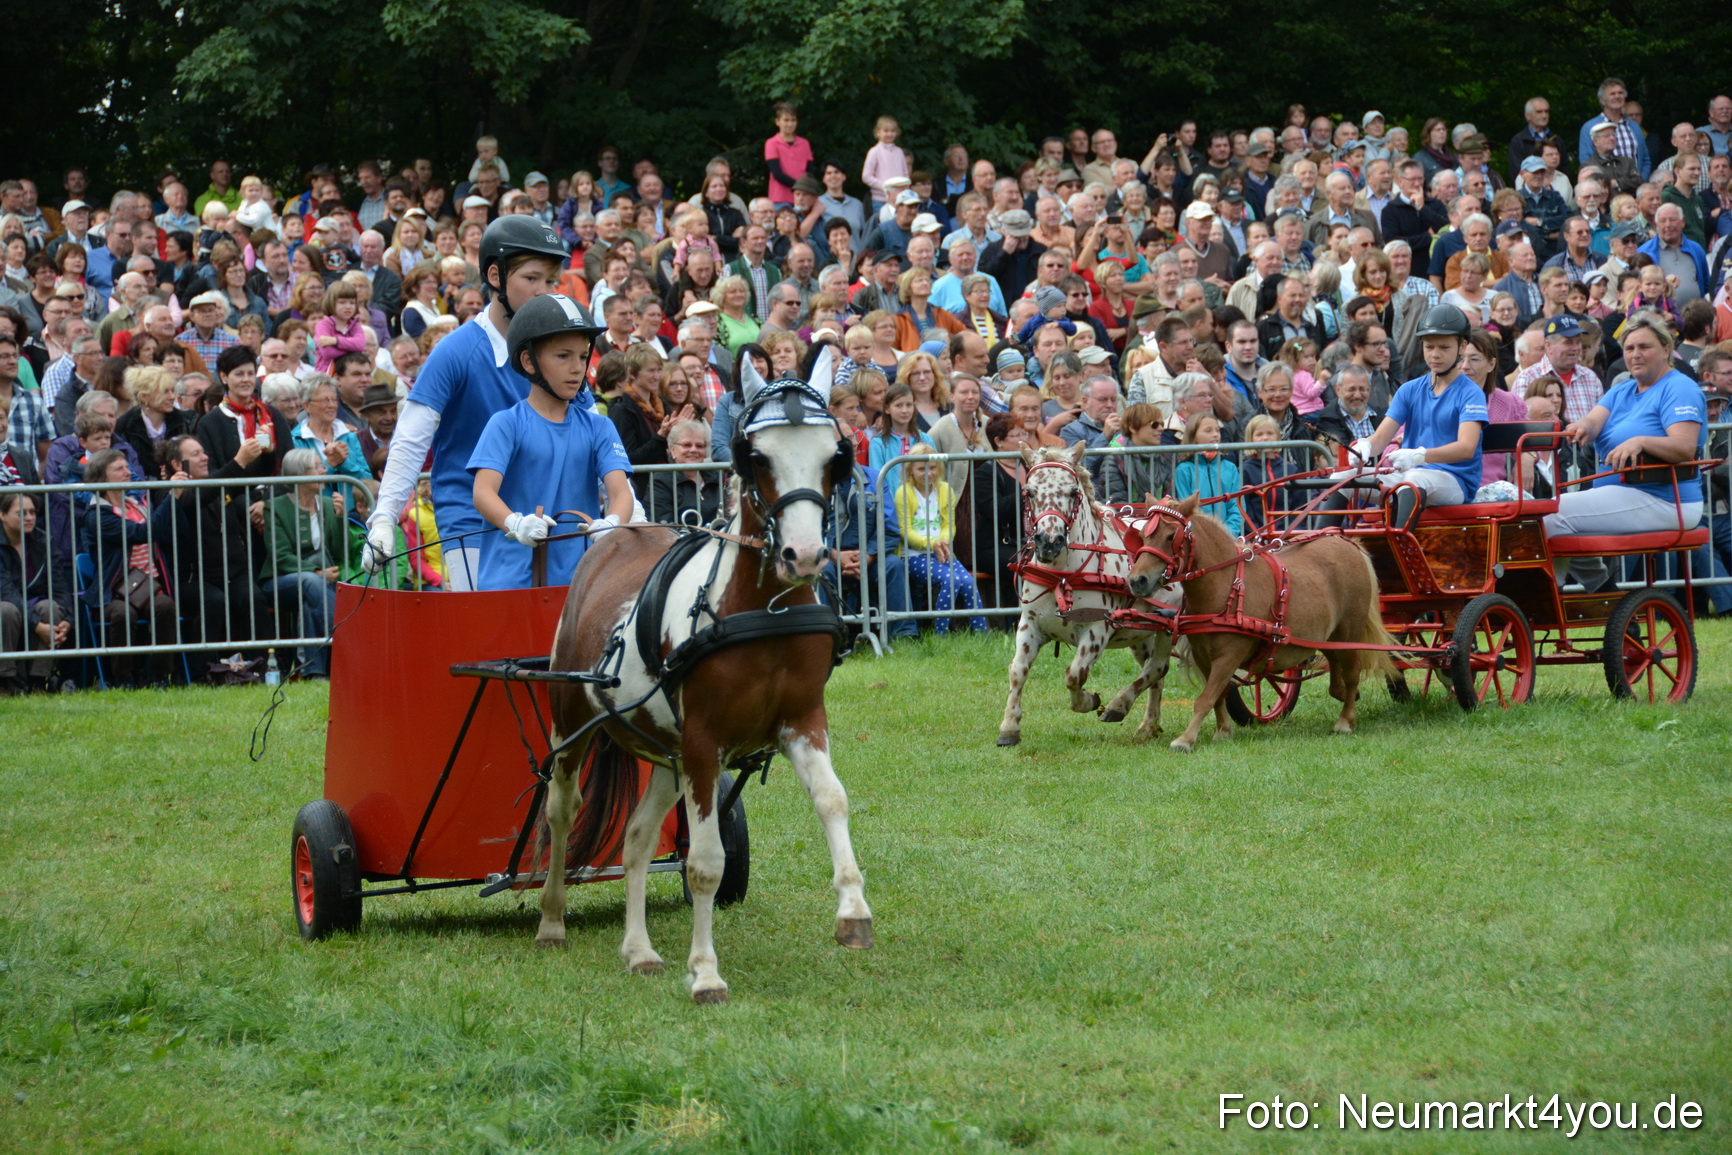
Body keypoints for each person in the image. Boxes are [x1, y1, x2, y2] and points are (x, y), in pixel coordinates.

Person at [366, 216, 570, 590]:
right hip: (471, 527)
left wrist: (627, 511)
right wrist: (383, 517)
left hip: (547, 521)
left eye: (551, 281)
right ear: (495, 276)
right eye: (532, 278)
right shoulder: (454, 352)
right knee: (489, 644)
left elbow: (593, 432)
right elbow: (410, 441)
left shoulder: (561, 353)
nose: (545, 291)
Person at [468, 293, 634, 591]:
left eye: (583, 356)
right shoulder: (506, 423)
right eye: (563, 356)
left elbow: (621, 494)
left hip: (579, 587)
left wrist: (612, 522)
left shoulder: (600, 427)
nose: (577, 367)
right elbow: (482, 492)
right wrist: (515, 523)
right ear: (528, 361)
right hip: (508, 583)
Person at [1542, 313, 1705, 590]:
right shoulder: (1623, 389)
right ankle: (1597, 592)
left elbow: (1685, 447)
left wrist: (1641, 441)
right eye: (1629, 348)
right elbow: (1593, 422)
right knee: (1541, 516)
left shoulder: (1679, 388)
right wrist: (1580, 427)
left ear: (1667, 349)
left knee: (1549, 516)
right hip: (1623, 494)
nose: (1635, 355)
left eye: (1645, 347)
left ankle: (1564, 596)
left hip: (1667, 499)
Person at [1357, 304, 1489, 529]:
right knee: (1343, 480)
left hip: (1455, 482)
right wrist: (1364, 446)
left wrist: (1421, 455)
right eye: (1429, 347)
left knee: (1413, 481)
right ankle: (1316, 546)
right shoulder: (1409, 389)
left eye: (1444, 347)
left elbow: (1467, 448)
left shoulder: (1471, 393)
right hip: (1412, 475)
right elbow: (1380, 439)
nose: (1435, 354)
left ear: (1462, 346)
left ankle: (1398, 548)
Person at [81, 448, 177, 685]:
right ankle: (123, 679)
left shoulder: (138, 505)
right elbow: (140, 533)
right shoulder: (97, 515)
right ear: (102, 477)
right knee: (123, 613)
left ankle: (160, 677)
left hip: (150, 586)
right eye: (119, 468)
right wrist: (172, 495)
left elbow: (161, 530)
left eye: (127, 466)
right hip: (114, 590)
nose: (128, 472)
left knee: (165, 605)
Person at [258, 448, 347, 678]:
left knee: (310, 599)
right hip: (280, 581)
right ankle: (345, 641)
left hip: (318, 583)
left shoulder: (327, 504)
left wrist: (339, 519)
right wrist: (317, 571)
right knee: (311, 582)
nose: (324, 470)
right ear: (299, 474)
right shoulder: (275, 506)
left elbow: (337, 550)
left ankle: (314, 672)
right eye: (317, 466)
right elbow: (280, 555)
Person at [895, 444, 988, 634]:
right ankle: (941, 633)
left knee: (968, 582)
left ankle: (982, 633)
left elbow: (948, 524)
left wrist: (944, 541)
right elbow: (905, 531)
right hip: (913, 555)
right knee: (951, 580)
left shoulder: (945, 489)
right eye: (921, 468)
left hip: (942, 551)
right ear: (910, 471)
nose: (928, 473)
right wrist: (932, 544)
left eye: (932, 467)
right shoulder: (903, 493)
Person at [0, 490, 72, 694]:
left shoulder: (43, 541)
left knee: (51, 607)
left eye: (32, 512)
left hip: (31, 604)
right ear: (2, 514)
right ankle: (5, 682)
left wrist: (68, 619)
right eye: (21, 513)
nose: (30, 517)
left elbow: (59, 585)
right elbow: (6, 592)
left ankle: (40, 682)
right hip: (6, 605)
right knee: (5, 610)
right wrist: (37, 625)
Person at [196, 345, 291, 480]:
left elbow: (289, 463)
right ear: (224, 377)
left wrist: (268, 500)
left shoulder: (272, 414)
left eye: (250, 373)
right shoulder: (210, 423)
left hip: (274, 497)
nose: (246, 380)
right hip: (232, 498)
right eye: (239, 374)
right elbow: (212, 474)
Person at [1171, 411, 1243, 535]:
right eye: (1208, 431)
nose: (1215, 435)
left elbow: (1237, 507)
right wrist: (1206, 536)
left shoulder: (1230, 468)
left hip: (1228, 538)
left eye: (1217, 430)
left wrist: (1229, 533)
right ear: (1193, 436)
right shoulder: (1184, 470)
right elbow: (1188, 510)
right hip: (1200, 539)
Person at [648, 418, 722, 526]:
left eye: (699, 446)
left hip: (718, 541)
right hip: (681, 541)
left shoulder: (716, 477)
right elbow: (663, 524)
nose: (693, 450)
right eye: (686, 445)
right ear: (673, 450)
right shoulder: (660, 481)